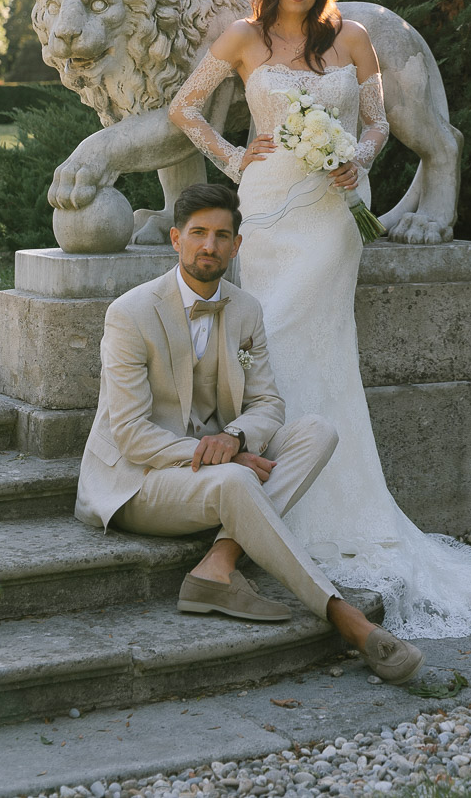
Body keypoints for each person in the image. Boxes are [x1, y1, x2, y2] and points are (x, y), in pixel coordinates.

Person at [168, 0, 471, 639]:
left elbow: (374, 122)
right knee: (268, 347)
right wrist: (234, 157)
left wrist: (359, 160)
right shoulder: (244, 39)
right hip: (269, 211)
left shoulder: (352, 40)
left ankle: (291, 515)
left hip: (334, 216)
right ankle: (258, 508)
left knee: (302, 346)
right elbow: (184, 108)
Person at [75, 182, 424, 684]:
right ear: (175, 239)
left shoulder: (245, 309)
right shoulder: (130, 313)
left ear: (237, 245)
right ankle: (346, 619)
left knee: (318, 431)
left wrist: (235, 439)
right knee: (237, 482)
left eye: (221, 236)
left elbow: (268, 404)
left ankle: (219, 561)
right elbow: (129, 434)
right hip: (138, 482)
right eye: (197, 233)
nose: (209, 246)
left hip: (215, 467)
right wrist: (220, 458)